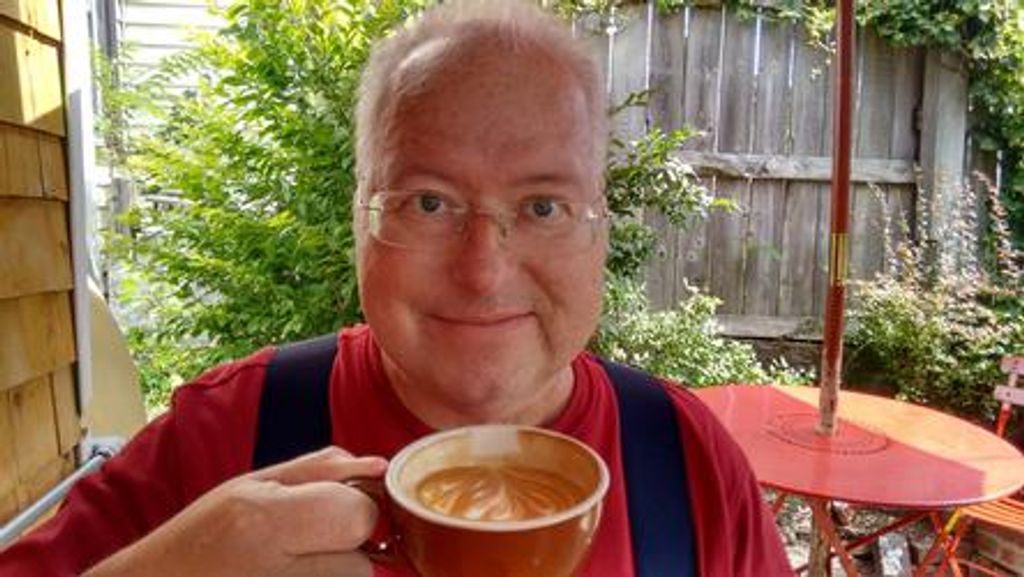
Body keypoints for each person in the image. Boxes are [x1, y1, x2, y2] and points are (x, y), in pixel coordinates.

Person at [0, 1, 790, 575]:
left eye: (543, 206)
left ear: (600, 230)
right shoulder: (222, 439)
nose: (482, 272)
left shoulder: (688, 466)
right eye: (429, 203)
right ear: (360, 221)